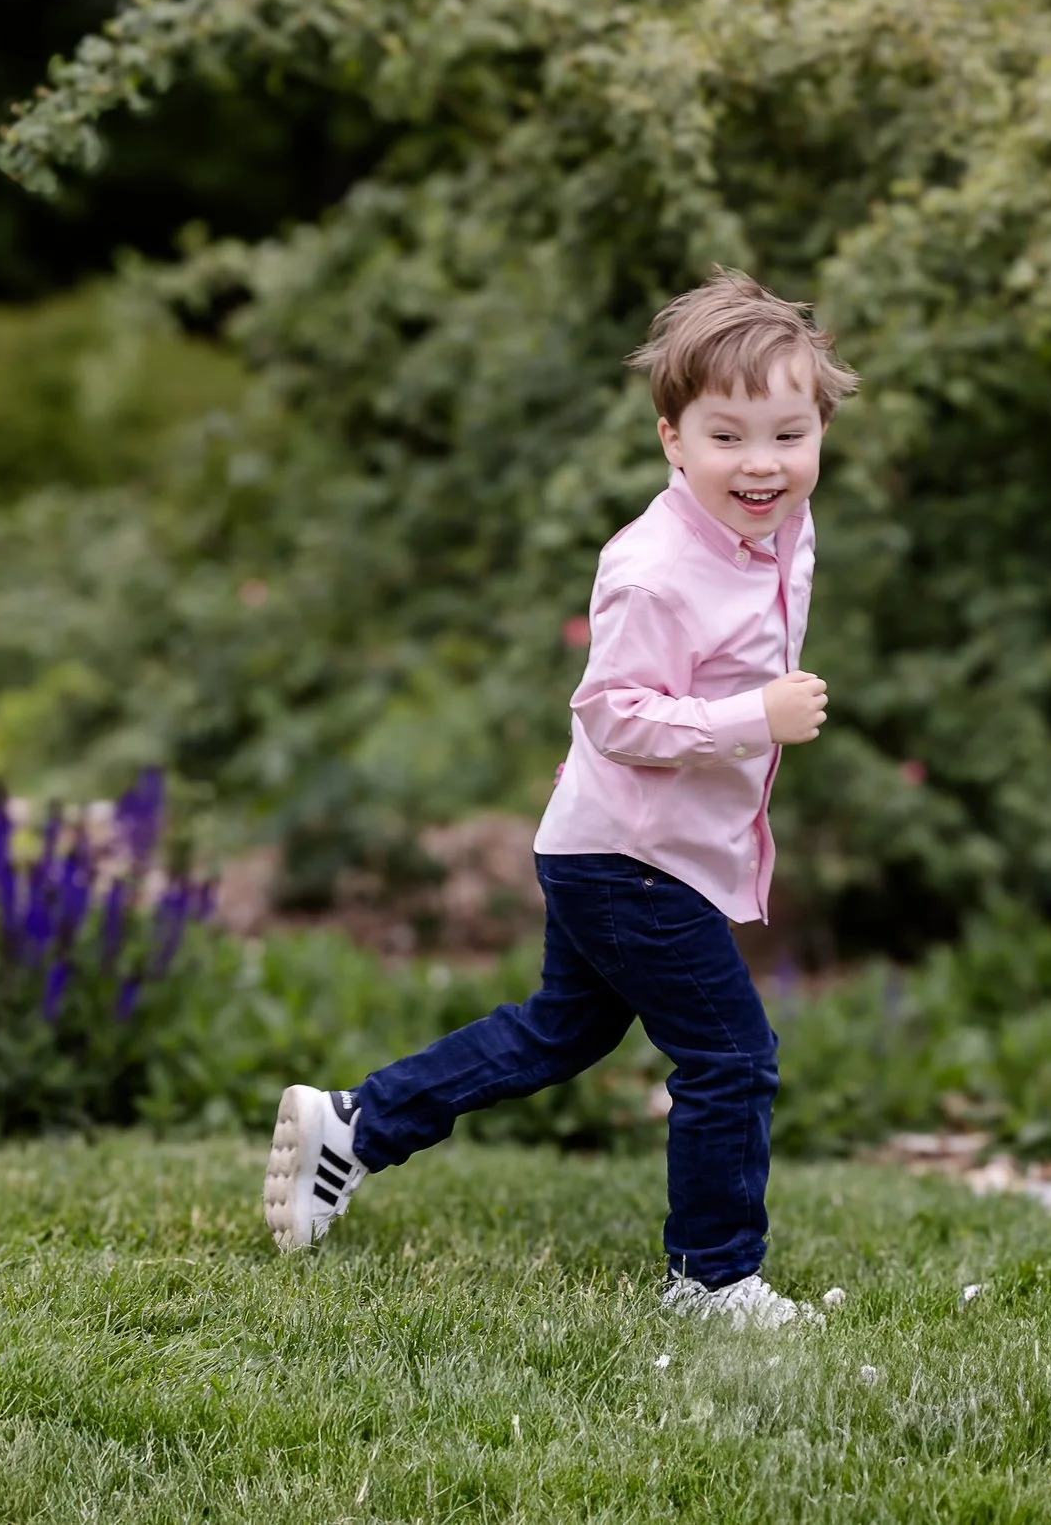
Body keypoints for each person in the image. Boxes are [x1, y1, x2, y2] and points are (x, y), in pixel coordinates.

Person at [262, 268, 852, 1330]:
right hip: (634, 856)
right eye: (727, 437)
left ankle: (356, 1121)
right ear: (671, 437)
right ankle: (713, 1279)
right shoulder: (654, 567)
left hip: (622, 836)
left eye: (787, 434)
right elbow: (613, 708)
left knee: (557, 1033)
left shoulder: (779, 529)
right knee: (731, 1053)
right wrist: (748, 717)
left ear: (818, 430)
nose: (761, 463)